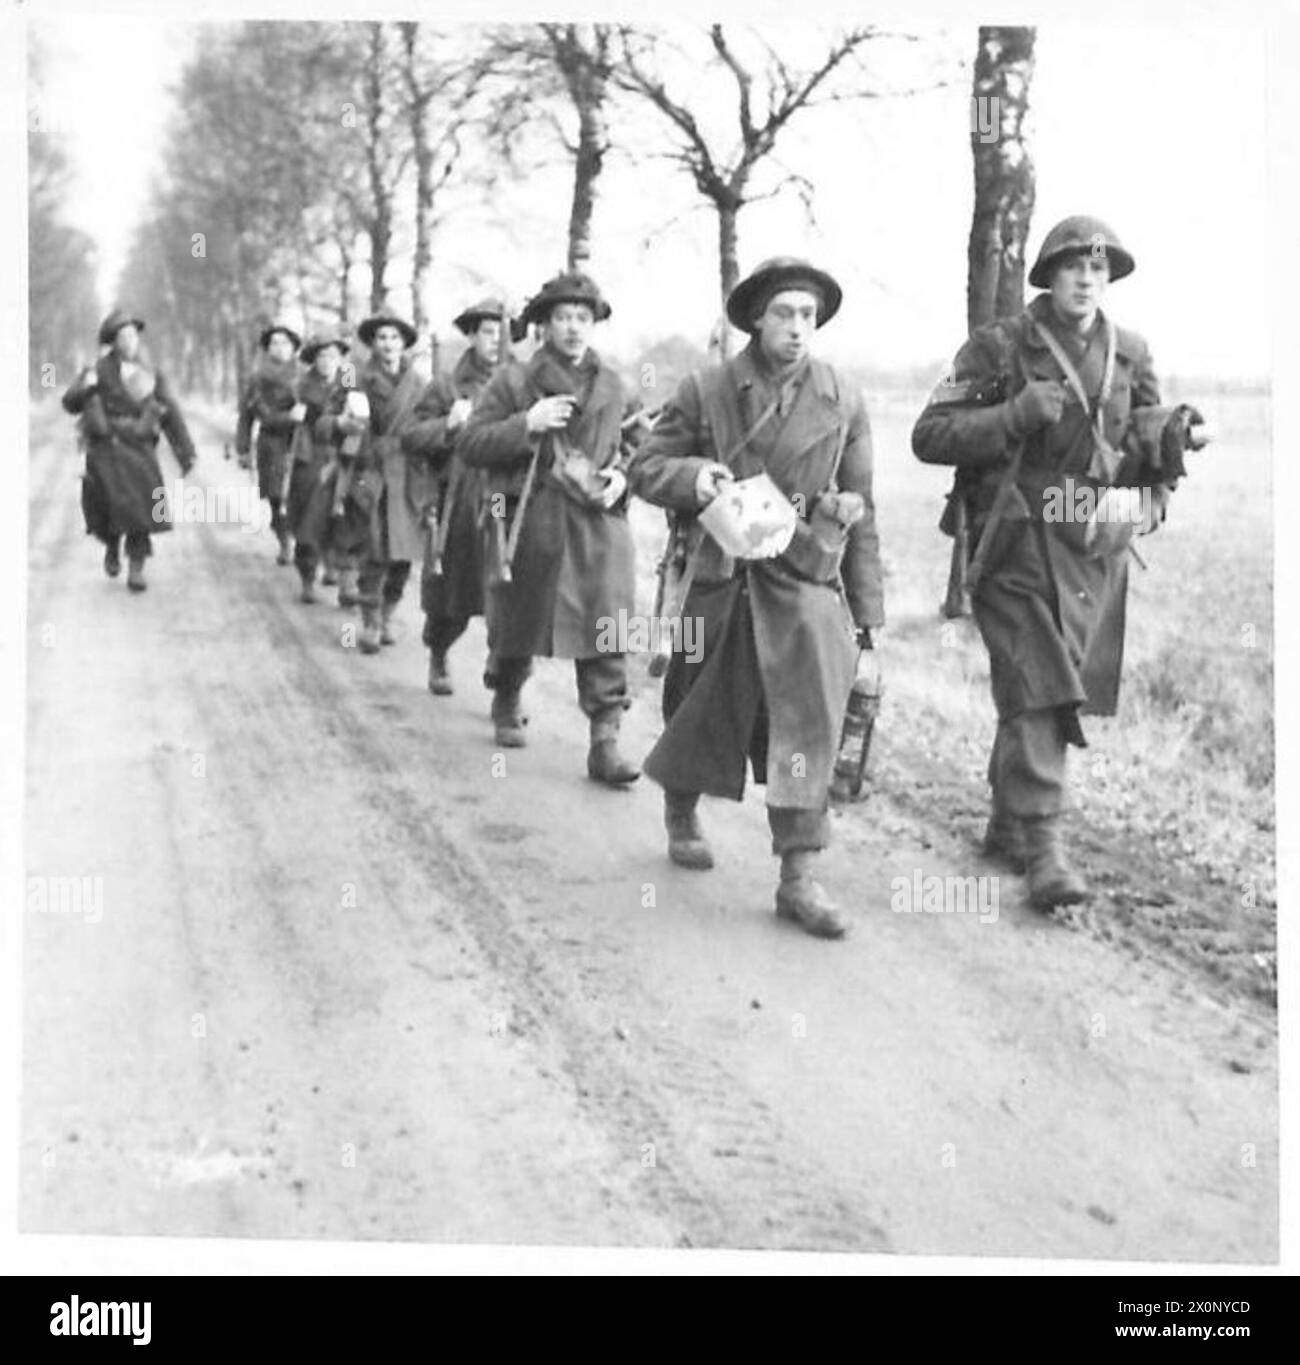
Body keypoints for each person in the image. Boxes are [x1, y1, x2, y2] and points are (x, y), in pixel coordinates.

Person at [912, 215, 1204, 909]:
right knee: (1040, 684)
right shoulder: (998, 348)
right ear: (1050, 274)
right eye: (1075, 266)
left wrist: (1174, 437)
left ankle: (1005, 822)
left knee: (1038, 685)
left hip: (1090, 548)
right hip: (1010, 541)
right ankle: (1043, 848)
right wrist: (1012, 415)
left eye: (1099, 269)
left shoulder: (1129, 353)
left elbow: (1141, 439)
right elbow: (930, 434)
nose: (1087, 279)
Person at [629, 257, 884, 939]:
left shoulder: (845, 398)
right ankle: (681, 807)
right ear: (756, 320)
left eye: (808, 315)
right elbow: (644, 467)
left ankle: (798, 874)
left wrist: (867, 624)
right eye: (784, 314)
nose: (798, 328)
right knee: (697, 704)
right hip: (719, 572)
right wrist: (695, 476)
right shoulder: (707, 388)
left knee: (807, 721)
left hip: (802, 582)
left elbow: (865, 514)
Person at [458, 272, 640, 784]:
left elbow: (644, 446)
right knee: (520, 617)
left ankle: (605, 740)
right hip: (532, 519)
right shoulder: (514, 381)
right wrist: (526, 424)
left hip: (599, 524)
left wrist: (622, 476)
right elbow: (471, 443)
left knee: (608, 625)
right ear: (543, 324)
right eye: (562, 317)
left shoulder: (614, 383)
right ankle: (507, 692)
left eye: (583, 317)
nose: (574, 328)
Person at [61, 309, 197, 592]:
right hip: (105, 446)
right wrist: (84, 388)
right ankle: (111, 545)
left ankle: (137, 567)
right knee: (107, 504)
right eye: (123, 336)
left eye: (133, 335)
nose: (129, 341)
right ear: (113, 340)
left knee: (143, 509)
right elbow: (69, 403)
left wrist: (186, 453)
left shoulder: (151, 372)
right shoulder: (97, 369)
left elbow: (170, 411)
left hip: (139, 446)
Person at [414, 298, 506, 695]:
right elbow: (412, 436)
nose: (496, 340)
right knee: (452, 592)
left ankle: (505, 675)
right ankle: (438, 651)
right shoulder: (446, 385)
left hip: (505, 499)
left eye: (503, 333)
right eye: (487, 331)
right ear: (471, 335)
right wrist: (448, 426)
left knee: (509, 592)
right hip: (459, 499)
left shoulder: (521, 385)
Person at [338, 312, 427, 655]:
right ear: (372, 344)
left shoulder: (419, 383)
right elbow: (331, 419)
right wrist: (345, 423)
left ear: (404, 343)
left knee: (403, 555)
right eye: (381, 338)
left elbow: (429, 424)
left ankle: (389, 613)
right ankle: (371, 621)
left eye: (394, 338)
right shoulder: (355, 376)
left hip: (408, 475)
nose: (388, 344)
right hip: (371, 472)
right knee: (374, 550)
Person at [285, 331, 351, 604]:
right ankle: (307, 577)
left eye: (333, 356)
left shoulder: (349, 382)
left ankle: (339, 571)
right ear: (313, 359)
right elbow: (280, 421)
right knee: (307, 519)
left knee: (342, 518)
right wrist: (290, 419)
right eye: (321, 356)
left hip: (342, 454)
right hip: (309, 455)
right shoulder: (300, 386)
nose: (327, 361)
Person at [236, 323, 303, 565]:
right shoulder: (257, 378)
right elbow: (247, 415)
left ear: (294, 347)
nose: (280, 348)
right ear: (267, 349)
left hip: (300, 441)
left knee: (303, 492)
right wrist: (242, 448)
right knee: (276, 496)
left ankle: (306, 544)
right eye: (274, 343)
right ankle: (284, 541)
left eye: (285, 342)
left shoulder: (304, 374)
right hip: (271, 443)